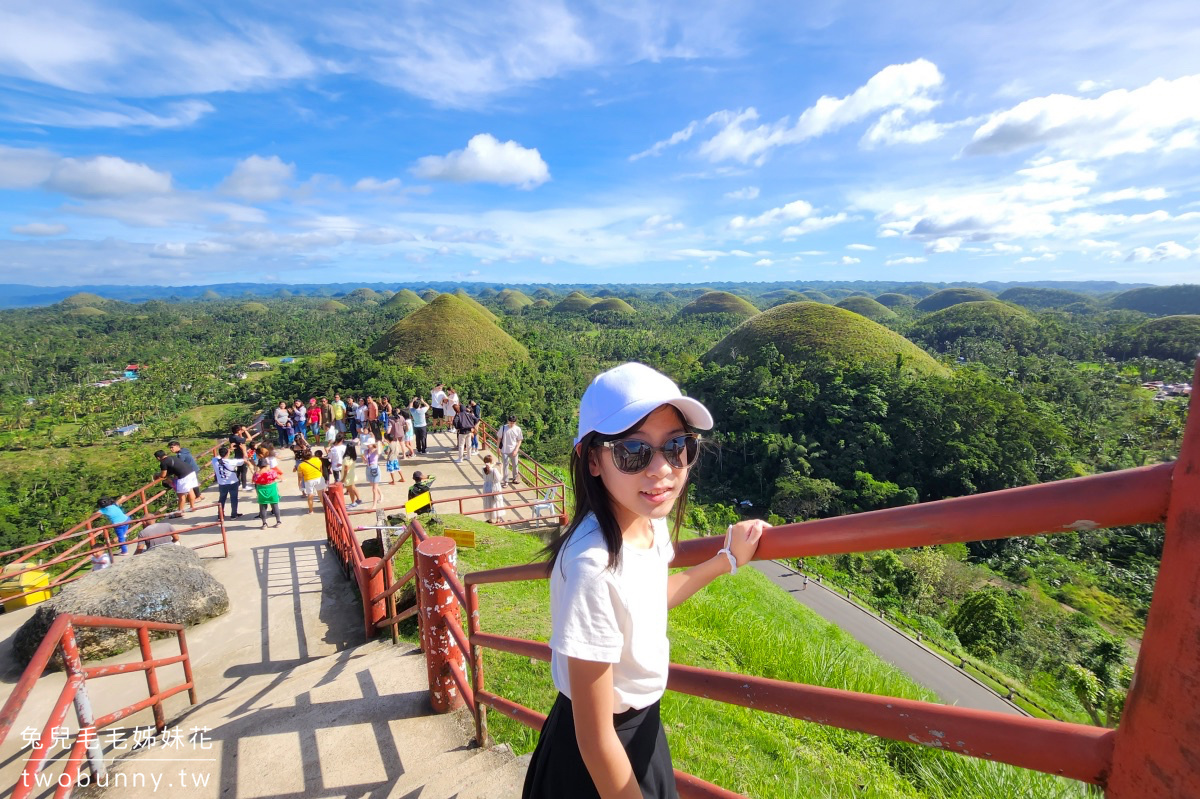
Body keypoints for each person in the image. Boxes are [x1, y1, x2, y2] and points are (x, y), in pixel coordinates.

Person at [522, 362, 767, 799]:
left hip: (641, 729)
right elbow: (596, 739)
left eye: (677, 447)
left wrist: (726, 560)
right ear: (593, 460)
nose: (661, 469)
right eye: (633, 452)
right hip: (598, 757)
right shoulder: (591, 567)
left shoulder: (646, 522)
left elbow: (650, 597)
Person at [211, 445, 244, 519]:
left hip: (222, 483)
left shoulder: (214, 460)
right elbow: (244, 460)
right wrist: (244, 450)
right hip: (233, 482)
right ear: (227, 454)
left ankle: (220, 515)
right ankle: (234, 514)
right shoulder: (231, 462)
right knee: (234, 498)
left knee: (222, 499)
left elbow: (218, 457)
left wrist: (228, 449)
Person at [253, 461, 283, 528]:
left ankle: (264, 524)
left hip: (261, 491)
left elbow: (254, 481)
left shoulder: (256, 474)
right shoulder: (271, 472)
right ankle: (278, 521)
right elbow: (279, 477)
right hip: (272, 489)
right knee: (275, 506)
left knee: (263, 508)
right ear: (266, 465)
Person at [296, 448, 326, 514]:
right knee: (321, 494)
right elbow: (321, 469)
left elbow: (300, 477)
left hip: (309, 480)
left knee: (310, 495)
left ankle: (311, 510)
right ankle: (325, 508)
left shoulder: (301, 465)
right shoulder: (318, 460)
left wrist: (299, 483)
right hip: (319, 478)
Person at [499, 414, 524, 486]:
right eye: (510, 422)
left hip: (513, 450)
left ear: (515, 422)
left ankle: (515, 478)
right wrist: (498, 448)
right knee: (505, 466)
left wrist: (516, 450)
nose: (511, 424)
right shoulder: (503, 428)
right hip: (504, 450)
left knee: (515, 465)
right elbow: (499, 438)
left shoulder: (518, 429)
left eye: (513, 423)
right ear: (508, 421)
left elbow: (519, 440)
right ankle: (505, 480)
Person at [481, 454, 505, 523]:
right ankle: (498, 519)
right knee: (496, 502)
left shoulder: (483, 468)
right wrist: (501, 468)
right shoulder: (494, 470)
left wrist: (492, 464)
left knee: (488, 503)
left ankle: (490, 519)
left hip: (486, 487)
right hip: (494, 487)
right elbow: (499, 478)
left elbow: (488, 468)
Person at [342, 440, 363, 507]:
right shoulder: (353, 457)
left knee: (350, 490)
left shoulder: (346, 458)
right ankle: (359, 499)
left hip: (347, 476)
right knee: (353, 487)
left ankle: (353, 502)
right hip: (352, 474)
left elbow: (346, 469)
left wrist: (343, 479)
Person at [363, 439, 383, 508]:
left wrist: (378, 444)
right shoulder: (366, 451)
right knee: (373, 485)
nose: (367, 445)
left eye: (369, 444)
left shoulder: (376, 451)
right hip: (368, 469)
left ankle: (374, 505)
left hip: (375, 469)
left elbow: (380, 451)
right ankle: (381, 495)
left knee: (374, 489)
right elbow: (364, 462)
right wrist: (364, 459)